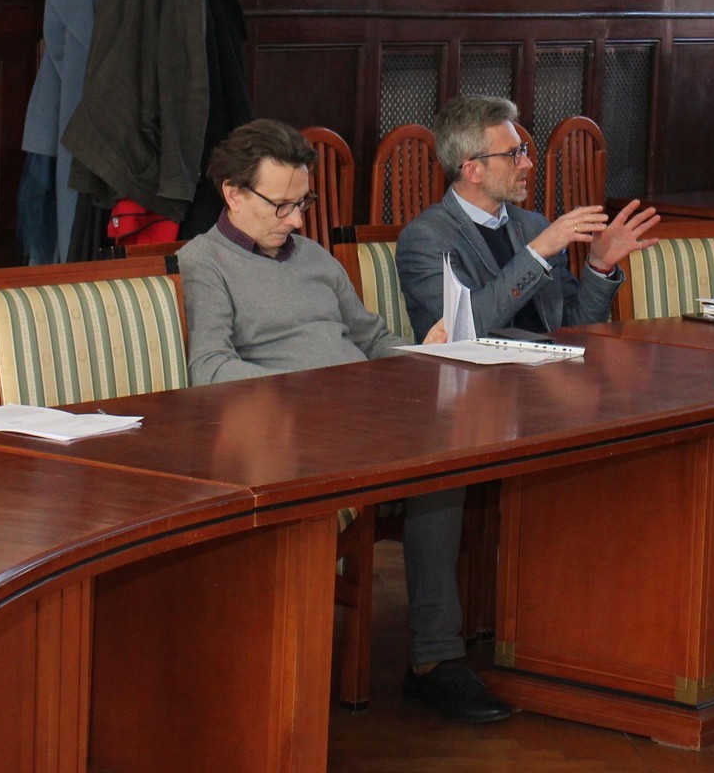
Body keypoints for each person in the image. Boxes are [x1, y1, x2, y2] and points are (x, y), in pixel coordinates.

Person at [172, 121, 511, 724]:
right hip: (288, 433)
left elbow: (372, 339)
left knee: (449, 457)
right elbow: (211, 366)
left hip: (363, 415)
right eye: (281, 205)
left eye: (302, 203)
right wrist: (313, 394)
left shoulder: (314, 257)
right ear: (233, 194)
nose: (296, 220)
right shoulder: (205, 261)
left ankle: (435, 662)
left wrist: (423, 353)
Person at [395, 96, 661, 338]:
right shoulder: (426, 239)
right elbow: (465, 328)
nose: (527, 163)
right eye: (513, 155)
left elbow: (576, 328)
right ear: (473, 171)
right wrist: (536, 253)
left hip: (553, 370)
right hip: (479, 375)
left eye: (522, 150)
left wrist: (599, 265)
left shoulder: (533, 225)